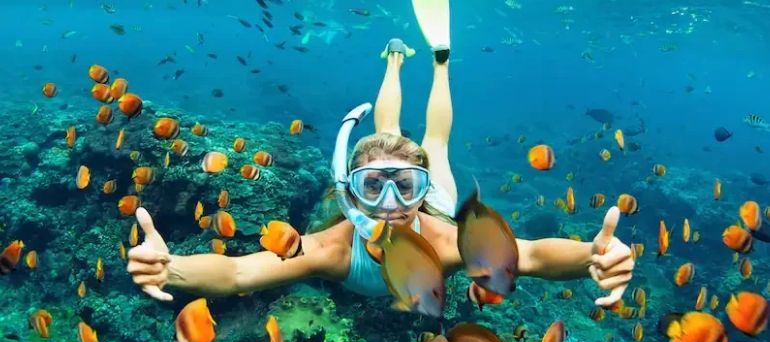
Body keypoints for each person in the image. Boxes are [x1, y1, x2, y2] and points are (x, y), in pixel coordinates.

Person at [126, 0, 634, 307]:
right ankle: (394, 63)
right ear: (352, 191)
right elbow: (239, 273)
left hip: (440, 200)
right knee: (387, 128)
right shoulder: (331, 250)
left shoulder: (449, 240)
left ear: (421, 187)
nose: (391, 200)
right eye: (374, 185)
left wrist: (593, 255)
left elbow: (533, 255)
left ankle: (439, 66)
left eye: (405, 184)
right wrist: (171, 268)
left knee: (434, 143)